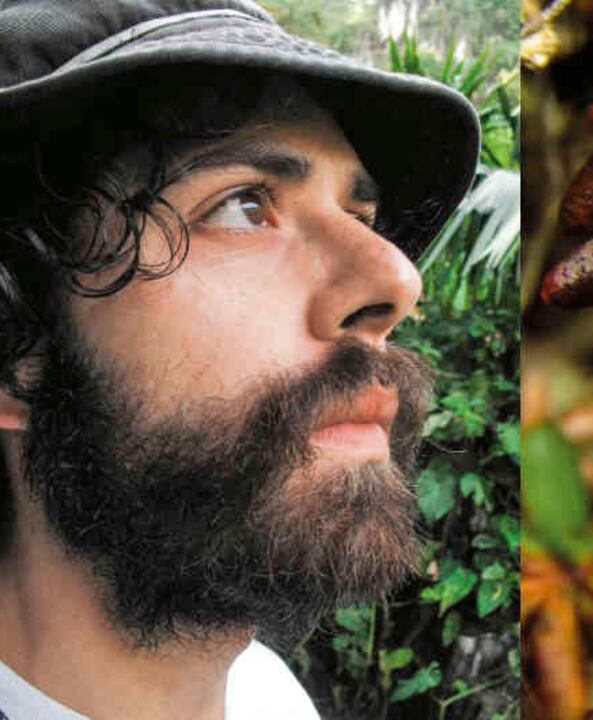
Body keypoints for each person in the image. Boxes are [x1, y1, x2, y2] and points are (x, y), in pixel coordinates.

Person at [0, 1, 480, 718]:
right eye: (242, 207)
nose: (398, 281)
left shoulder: (271, 695)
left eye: (362, 218)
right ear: (19, 349)